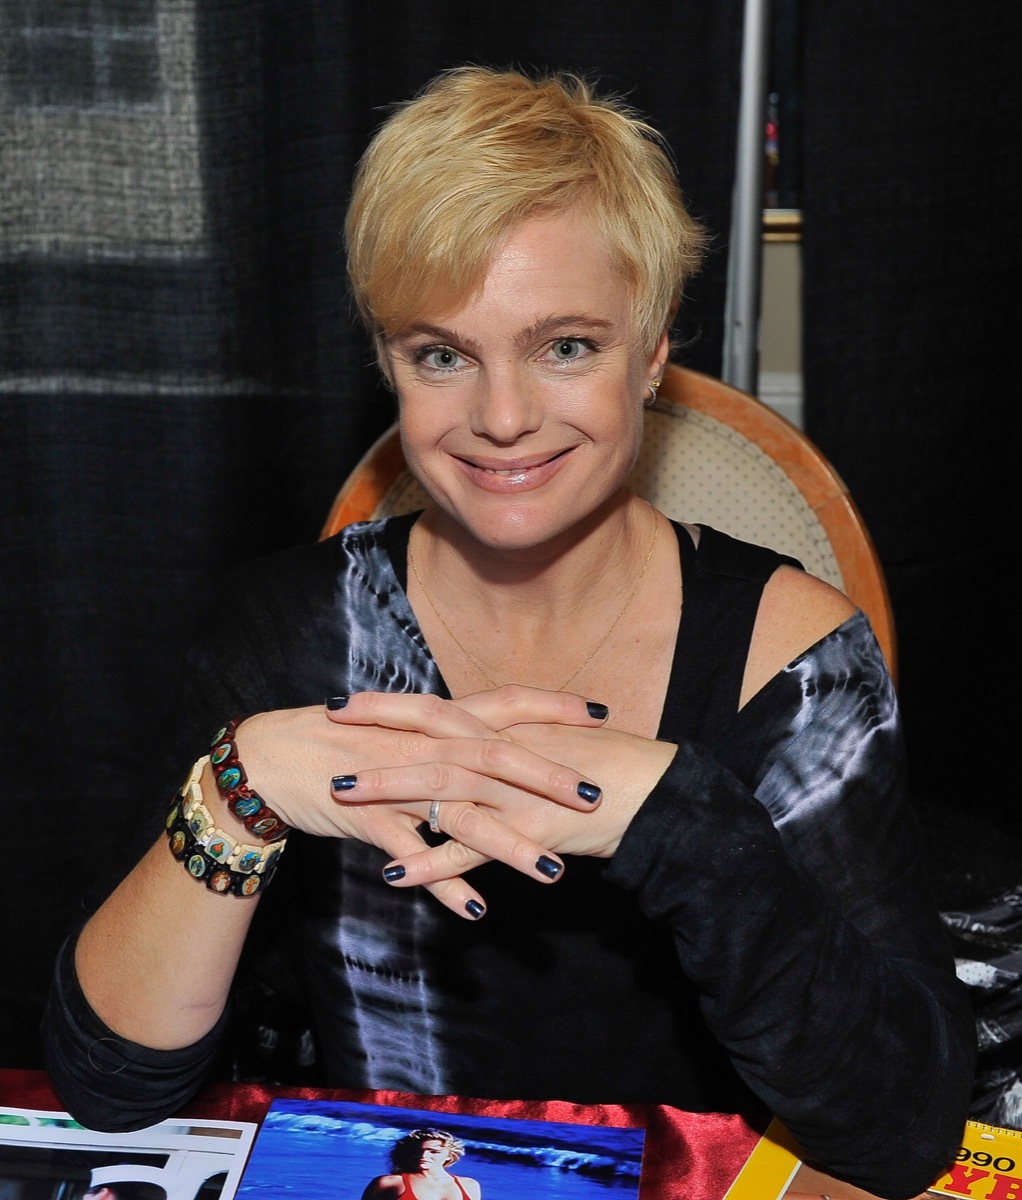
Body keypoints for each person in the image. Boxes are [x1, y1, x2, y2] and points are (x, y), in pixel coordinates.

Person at [44, 66, 974, 1200]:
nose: (499, 417)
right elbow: (111, 1091)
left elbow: (901, 1129)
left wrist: (680, 826)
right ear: (389, 362)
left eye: (564, 346)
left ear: (652, 347)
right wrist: (238, 793)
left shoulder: (792, 660)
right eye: (442, 354)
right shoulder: (285, 631)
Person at [361, 1129, 481, 1200]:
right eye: (417, 1151)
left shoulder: (469, 1185)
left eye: (434, 1152)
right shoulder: (388, 1183)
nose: (423, 1156)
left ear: (449, 1155)